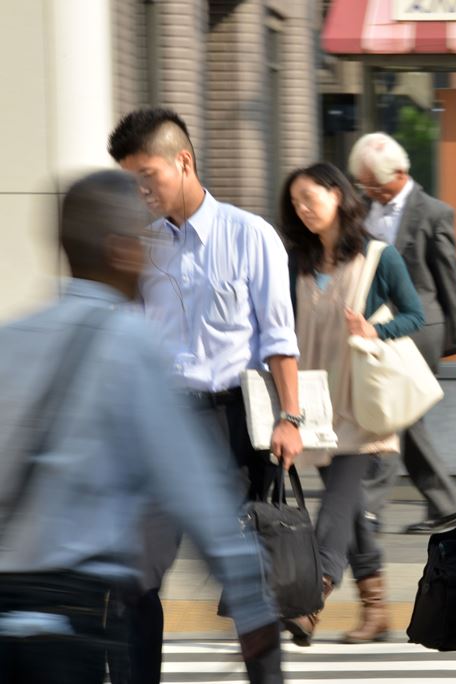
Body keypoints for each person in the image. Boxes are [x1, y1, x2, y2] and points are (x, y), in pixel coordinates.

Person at [0, 170, 282, 684]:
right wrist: (251, 598)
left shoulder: (9, 340)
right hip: (71, 615)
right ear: (121, 251)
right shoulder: (130, 343)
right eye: (143, 240)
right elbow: (190, 486)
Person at [108, 107, 303, 682]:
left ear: (183, 161)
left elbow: (279, 337)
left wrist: (290, 417)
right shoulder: (140, 247)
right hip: (157, 424)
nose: (140, 189)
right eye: (130, 180)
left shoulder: (251, 235)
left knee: (247, 580)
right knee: (134, 578)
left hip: (229, 423)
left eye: (148, 175)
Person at [277, 162, 424, 646]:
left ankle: (309, 597)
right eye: (295, 201)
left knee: (337, 505)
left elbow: (414, 315)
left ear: (337, 194)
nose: (303, 208)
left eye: (310, 196)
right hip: (313, 404)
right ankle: (376, 609)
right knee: (351, 512)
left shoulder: (379, 257)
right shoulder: (294, 262)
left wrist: (375, 329)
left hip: (360, 404)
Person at [348, 132, 456, 535]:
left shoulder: (434, 213)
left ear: (399, 173)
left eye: (375, 184)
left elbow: (448, 279)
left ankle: (367, 508)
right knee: (401, 415)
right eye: (364, 184)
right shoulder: (362, 209)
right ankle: (445, 505)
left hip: (420, 326)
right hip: (373, 326)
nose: (370, 191)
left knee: (390, 410)